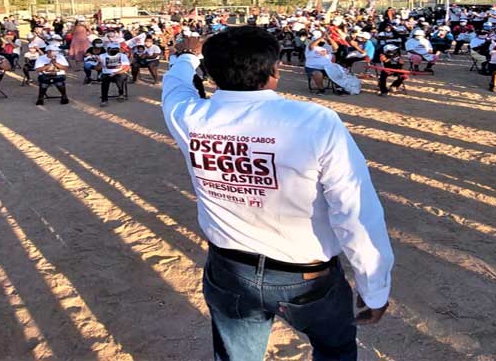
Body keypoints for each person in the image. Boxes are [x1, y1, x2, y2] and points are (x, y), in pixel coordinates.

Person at [161, 27, 393, 361]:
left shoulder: (190, 117)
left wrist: (186, 54)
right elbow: (354, 210)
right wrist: (375, 288)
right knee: (335, 350)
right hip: (307, 276)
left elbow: (175, 85)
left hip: (230, 269)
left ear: (210, 74)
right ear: (274, 71)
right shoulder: (315, 121)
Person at [99, 42, 131, 107]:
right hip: (106, 73)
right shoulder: (102, 56)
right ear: (108, 49)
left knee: (120, 77)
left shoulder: (122, 56)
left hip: (119, 72)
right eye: (113, 49)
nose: (115, 50)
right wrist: (99, 62)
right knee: (105, 80)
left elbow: (127, 68)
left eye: (116, 49)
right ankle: (104, 100)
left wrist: (115, 73)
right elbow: (97, 68)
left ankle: (121, 93)